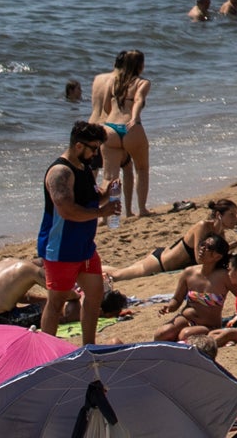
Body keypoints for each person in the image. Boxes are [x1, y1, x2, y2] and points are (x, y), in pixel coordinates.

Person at [35, 121, 119, 343]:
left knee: (95, 295)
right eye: (94, 148)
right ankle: (48, 352)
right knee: (56, 302)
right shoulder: (60, 172)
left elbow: (91, 198)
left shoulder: (84, 168)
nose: (96, 154)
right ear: (79, 146)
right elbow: (67, 211)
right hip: (61, 248)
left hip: (84, 247)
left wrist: (107, 193)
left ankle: (88, 346)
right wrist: (102, 212)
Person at [90, 49, 152, 218]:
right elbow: (139, 99)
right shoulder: (142, 83)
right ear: (140, 65)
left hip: (110, 128)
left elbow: (106, 107)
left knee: (110, 177)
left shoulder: (113, 82)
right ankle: (142, 209)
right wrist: (135, 115)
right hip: (131, 127)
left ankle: (106, 216)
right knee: (142, 169)